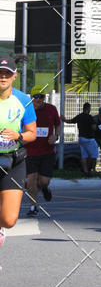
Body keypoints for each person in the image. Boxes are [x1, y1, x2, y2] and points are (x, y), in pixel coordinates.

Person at [0, 55, 36, 245]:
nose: (3, 77)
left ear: (15, 76)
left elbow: (32, 133)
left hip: (14, 162)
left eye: (7, 74)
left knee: (9, 220)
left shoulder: (23, 100)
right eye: (0, 73)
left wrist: (18, 136)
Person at [25, 91, 60, 216]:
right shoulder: (26, 109)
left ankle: (44, 188)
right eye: (35, 96)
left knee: (44, 181)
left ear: (44, 98)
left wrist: (56, 136)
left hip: (47, 152)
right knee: (31, 180)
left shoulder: (51, 109)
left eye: (41, 97)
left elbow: (58, 124)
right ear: (31, 97)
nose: (38, 99)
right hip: (30, 152)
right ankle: (33, 207)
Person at [61, 102, 98, 175]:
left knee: (84, 155)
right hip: (89, 139)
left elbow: (70, 121)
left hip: (81, 138)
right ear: (88, 108)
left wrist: (64, 119)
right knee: (94, 155)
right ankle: (91, 169)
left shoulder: (79, 116)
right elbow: (94, 127)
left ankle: (85, 170)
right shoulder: (89, 117)